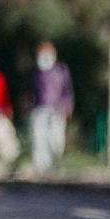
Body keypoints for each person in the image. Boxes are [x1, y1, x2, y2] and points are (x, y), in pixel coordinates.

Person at [30, 42, 73, 172]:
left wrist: (67, 106)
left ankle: (56, 163)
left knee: (56, 138)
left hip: (57, 109)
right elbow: (32, 92)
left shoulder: (61, 71)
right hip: (40, 109)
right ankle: (41, 165)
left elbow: (67, 91)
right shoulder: (36, 73)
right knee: (39, 137)